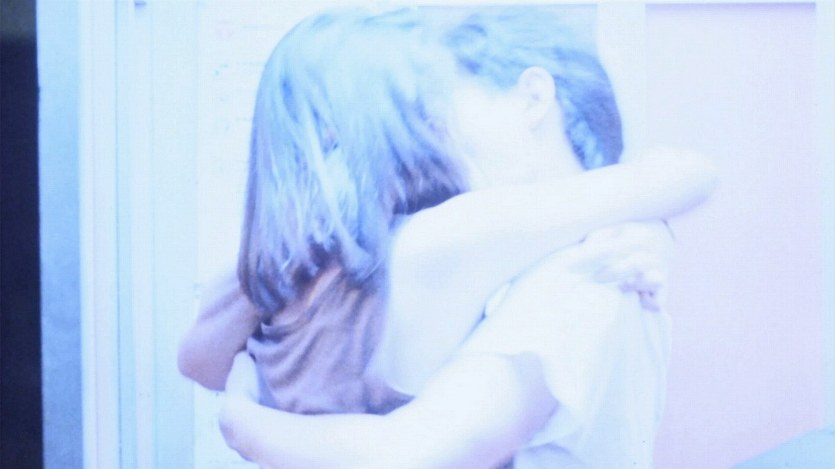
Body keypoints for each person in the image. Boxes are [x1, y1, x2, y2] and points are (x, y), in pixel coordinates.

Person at [179, 6, 717, 468]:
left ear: (533, 97)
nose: (437, 129)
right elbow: (679, 176)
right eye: (420, 109)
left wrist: (243, 424)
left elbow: (413, 452)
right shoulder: (457, 241)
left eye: (442, 103)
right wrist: (654, 224)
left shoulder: (580, 271)